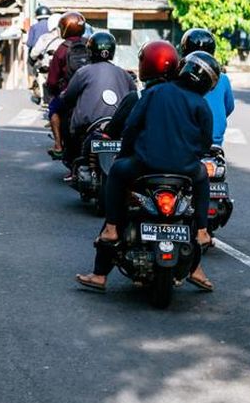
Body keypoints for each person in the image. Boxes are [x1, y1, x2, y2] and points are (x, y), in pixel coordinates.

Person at [75, 51, 220, 293]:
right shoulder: (201, 104)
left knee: (117, 173)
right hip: (185, 170)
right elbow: (205, 144)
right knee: (202, 179)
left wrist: (125, 154)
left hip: (145, 166)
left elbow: (131, 127)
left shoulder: (154, 92)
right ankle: (203, 232)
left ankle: (105, 254)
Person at [58, 31, 135, 170]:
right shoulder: (124, 74)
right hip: (118, 127)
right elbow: (133, 97)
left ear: (90, 51)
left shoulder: (83, 72)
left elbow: (69, 97)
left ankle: (70, 159)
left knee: (65, 119)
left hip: (88, 127)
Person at [103, 40, 180, 140]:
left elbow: (111, 133)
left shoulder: (135, 99)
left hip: (138, 155)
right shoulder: (184, 100)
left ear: (148, 63)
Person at [179, 28, 234, 146]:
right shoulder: (223, 78)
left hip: (187, 142)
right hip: (215, 144)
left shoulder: (178, 76)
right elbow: (229, 107)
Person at [45, 12, 88, 159]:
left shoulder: (62, 49)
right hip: (90, 92)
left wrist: (52, 90)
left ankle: (58, 145)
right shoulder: (90, 43)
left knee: (53, 110)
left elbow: (52, 80)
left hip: (68, 94)